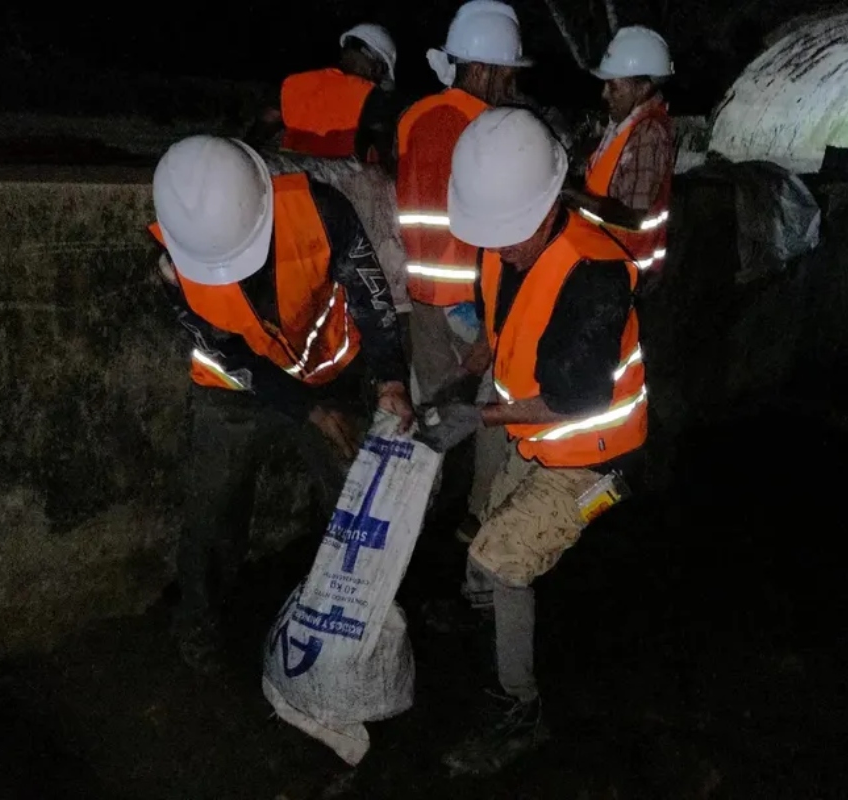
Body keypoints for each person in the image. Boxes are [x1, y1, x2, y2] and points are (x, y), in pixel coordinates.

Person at [416, 108, 651, 775]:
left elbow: (578, 397)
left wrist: (480, 418)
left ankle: (519, 710)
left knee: (500, 559)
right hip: (537, 436)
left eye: (511, 234)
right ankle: (487, 617)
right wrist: (461, 382)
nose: (503, 247)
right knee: (488, 527)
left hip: (597, 458)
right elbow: (498, 329)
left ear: (548, 205)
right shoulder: (505, 246)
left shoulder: (597, 272)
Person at [148, 134, 414, 673]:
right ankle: (197, 624)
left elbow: (371, 296)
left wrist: (390, 381)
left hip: (329, 374)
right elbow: (224, 350)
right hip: (234, 391)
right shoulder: (173, 261)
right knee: (212, 510)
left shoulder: (321, 210)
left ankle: (347, 622)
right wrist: (308, 409)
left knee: (354, 501)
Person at [395, 0, 533, 541]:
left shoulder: (413, 117)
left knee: (427, 418)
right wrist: (496, 329)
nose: (511, 86)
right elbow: (508, 238)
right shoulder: (493, 129)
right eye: (507, 74)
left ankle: (406, 530)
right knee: (493, 419)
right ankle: (479, 542)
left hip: (424, 296)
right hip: (475, 304)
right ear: (482, 69)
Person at [563, 26, 675, 280]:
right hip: (606, 256)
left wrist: (569, 192)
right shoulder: (626, 123)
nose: (604, 94)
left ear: (642, 87)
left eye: (613, 86)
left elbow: (632, 216)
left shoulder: (647, 133)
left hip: (626, 265)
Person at [270, 24, 399, 168]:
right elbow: (385, 154)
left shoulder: (294, 83)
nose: (377, 78)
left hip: (289, 181)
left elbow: (265, 125)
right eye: (381, 71)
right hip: (336, 185)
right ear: (375, 63)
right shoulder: (371, 96)